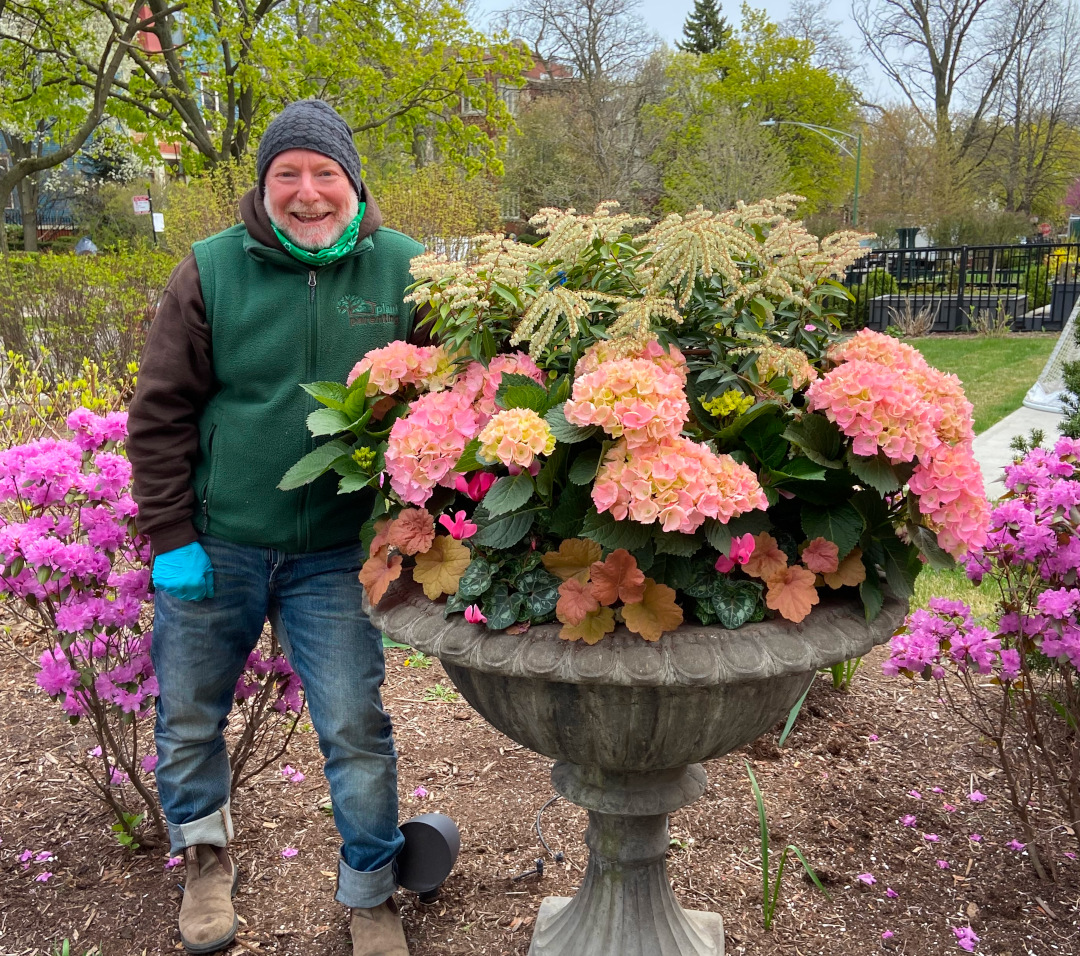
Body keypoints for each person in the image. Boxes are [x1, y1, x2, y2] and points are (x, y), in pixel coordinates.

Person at [127, 99, 424, 956]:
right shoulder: (210, 270)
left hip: (336, 553)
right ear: (263, 186)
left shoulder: (405, 270)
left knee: (354, 728)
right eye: (286, 174)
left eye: (323, 173)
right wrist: (171, 537)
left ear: (352, 182)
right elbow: (160, 414)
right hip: (218, 544)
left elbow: (454, 409)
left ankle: (370, 892)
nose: (306, 193)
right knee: (188, 715)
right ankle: (205, 859)